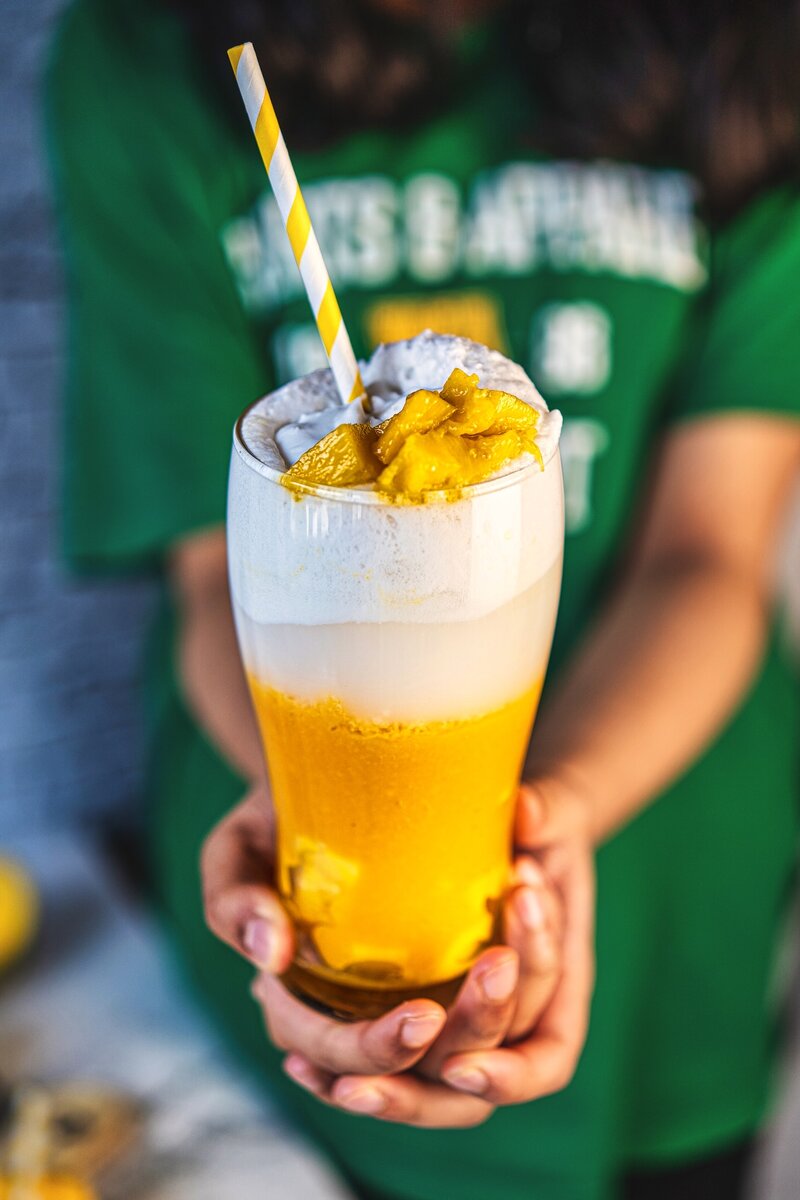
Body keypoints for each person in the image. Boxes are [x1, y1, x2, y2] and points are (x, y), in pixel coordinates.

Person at [47, 0, 800, 1196]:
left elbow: (707, 557)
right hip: (292, 855)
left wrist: (545, 821)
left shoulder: (754, 47)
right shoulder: (150, 45)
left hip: (673, 886)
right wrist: (309, 826)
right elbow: (212, 577)